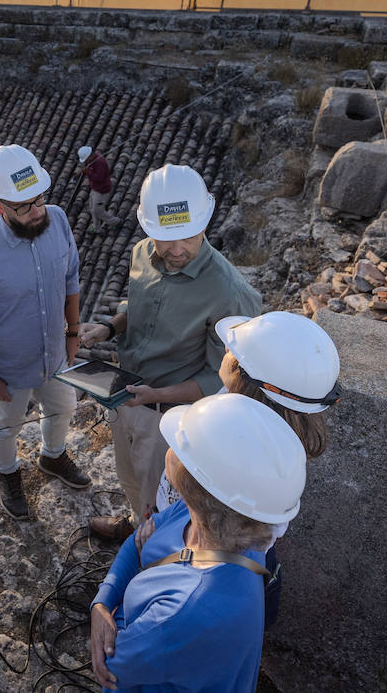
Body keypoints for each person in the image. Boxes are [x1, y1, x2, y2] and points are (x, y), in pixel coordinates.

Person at [78, 164, 261, 541]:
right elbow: (143, 306)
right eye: (165, 239)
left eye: (188, 237)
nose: (176, 250)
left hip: (170, 415)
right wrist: (109, 327)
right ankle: (133, 524)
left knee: (162, 498)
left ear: (205, 223)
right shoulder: (143, 253)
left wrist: (156, 396)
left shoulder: (229, 292)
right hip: (127, 395)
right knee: (130, 479)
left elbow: (220, 378)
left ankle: (149, 558)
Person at [89, 393, 307, 692]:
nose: (171, 446)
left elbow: (112, 665)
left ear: (195, 478)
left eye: (180, 445)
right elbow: (133, 545)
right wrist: (104, 599)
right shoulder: (214, 516)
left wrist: (112, 608)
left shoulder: (188, 610)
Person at [143, 310, 340, 626]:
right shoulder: (256, 410)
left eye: (233, 349)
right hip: (212, 546)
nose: (225, 349)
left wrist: (162, 527)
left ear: (244, 373)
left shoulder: (242, 447)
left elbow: (206, 518)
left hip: (198, 553)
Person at [0, 144, 90, 521]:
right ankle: (8, 474)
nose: (37, 211)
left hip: (54, 355)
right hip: (9, 367)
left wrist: (73, 332)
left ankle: (52, 455)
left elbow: (71, 278)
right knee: (6, 425)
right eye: (24, 206)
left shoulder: (57, 220)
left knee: (64, 407)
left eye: (40, 198)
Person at [78, 145, 121, 230]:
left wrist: (88, 172)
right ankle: (96, 227)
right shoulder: (92, 161)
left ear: (90, 156)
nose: (86, 162)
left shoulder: (100, 162)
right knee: (92, 208)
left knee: (98, 210)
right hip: (96, 188)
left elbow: (98, 178)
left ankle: (116, 222)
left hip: (102, 190)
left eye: (86, 160)